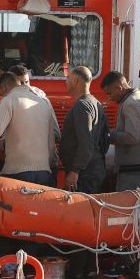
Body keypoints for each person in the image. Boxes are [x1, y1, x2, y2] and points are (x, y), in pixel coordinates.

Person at [0, 70, 58, 186]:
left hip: (17, 173)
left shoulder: (9, 100)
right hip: (44, 173)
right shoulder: (44, 103)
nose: (2, 96)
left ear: (4, 87)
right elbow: (51, 143)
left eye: (1, 92)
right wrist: (45, 168)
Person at [101, 71, 140, 191]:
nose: (109, 98)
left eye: (110, 93)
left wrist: (109, 135)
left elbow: (132, 137)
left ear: (119, 87)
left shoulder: (130, 104)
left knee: (129, 208)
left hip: (134, 171)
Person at [60, 66, 109, 194]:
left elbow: (86, 143)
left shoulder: (81, 106)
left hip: (84, 174)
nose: (66, 82)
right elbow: (105, 139)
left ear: (75, 81)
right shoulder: (96, 103)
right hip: (94, 168)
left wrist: (75, 171)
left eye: (68, 78)